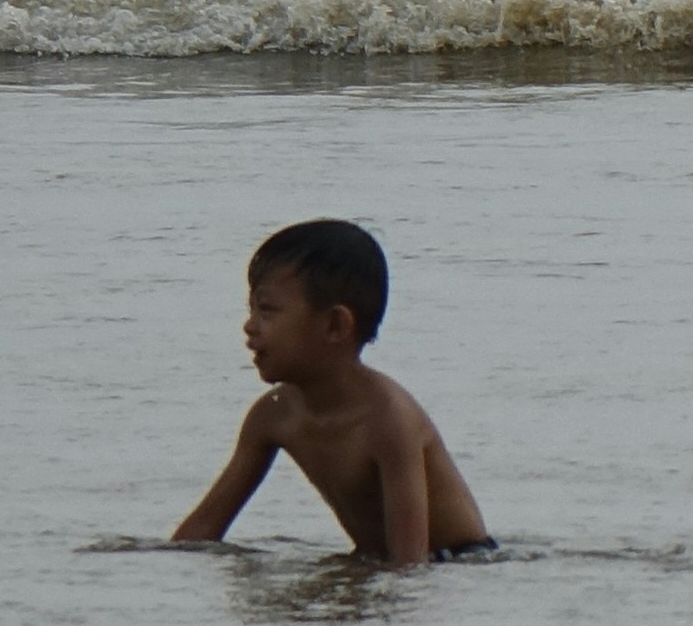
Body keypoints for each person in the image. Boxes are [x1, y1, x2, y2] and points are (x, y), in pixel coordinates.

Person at [171, 217, 494, 565]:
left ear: (335, 325)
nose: (249, 326)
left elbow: (409, 568)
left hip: (459, 563)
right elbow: (202, 531)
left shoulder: (389, 420)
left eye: (267, 310)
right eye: (250, 309)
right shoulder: (273, 416)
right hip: (377, 558)